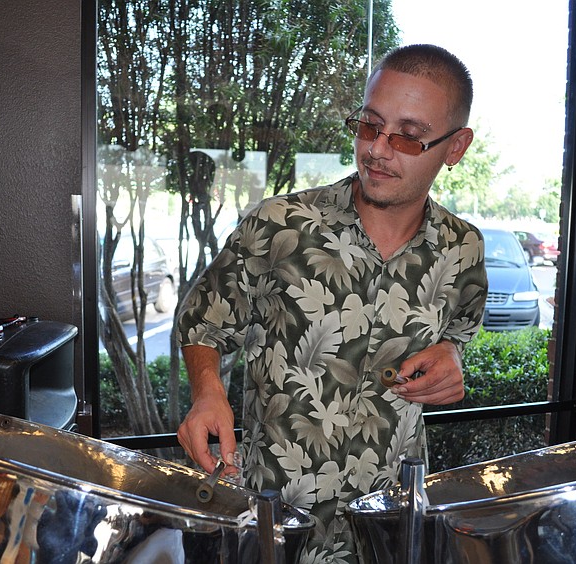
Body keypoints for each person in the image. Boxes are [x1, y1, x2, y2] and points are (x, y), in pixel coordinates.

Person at [176, 44, 488, 563]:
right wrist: (207, 391)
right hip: (273, 527)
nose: (378, 150)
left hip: (388, 531)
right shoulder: (279, 225)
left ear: (455, 148)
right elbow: (202, 321)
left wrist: (453, 356)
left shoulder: (464, 248)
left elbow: (458, 332)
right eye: (369, 125)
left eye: (408, 137)